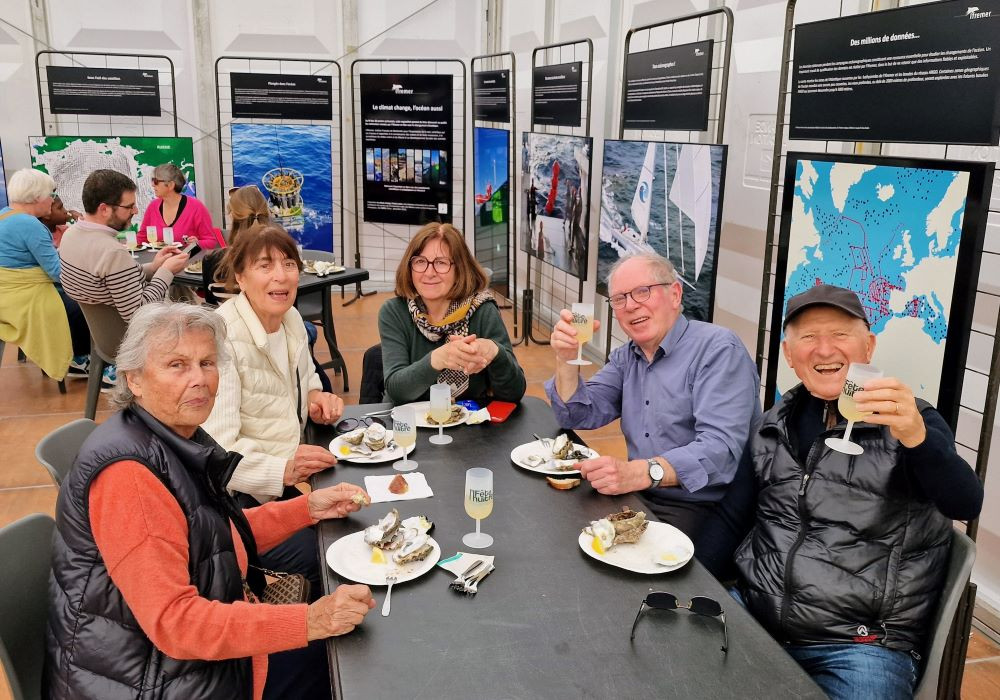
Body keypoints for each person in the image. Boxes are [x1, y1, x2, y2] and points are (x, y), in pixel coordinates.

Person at [46, 301, 375, 700]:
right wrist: (310, 621)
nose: (199, 379)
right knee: (339, 663)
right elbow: (177, 624)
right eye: (177, 365)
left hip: (155, 654)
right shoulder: (130, 476)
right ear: (134, 379)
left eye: (207, 362)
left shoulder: (171, 436)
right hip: (149, 677)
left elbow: (210, 536)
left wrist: (306, 508)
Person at [723, 284, 983, 700]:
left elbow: (964, 502)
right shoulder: (774, 424)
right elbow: (731, 519)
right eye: (808, 337)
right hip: (755, 612)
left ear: (869, 345)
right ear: (789, 355)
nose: (824, 350)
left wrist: (917, 435)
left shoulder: (912, 422)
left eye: (841, 334)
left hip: (859, 644)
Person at [546, 252, 760, 539]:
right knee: (563, 531)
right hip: (645, 493)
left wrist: (638, 473)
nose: (631, 305)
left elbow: (719, 450)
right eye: (619, 299)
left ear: (675, 294)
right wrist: (565, 360)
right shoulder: (627, 357)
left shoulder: (718, 349)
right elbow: (577, 414)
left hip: (707, 504)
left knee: (624, 571)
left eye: (642, 292)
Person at [201, 224, 344, 593]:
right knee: (333, 556)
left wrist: (315, 398)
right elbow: (220, 456)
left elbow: (306, 377)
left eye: (288, 264)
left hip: (289, 483)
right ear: (240, 276)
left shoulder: (291, 319)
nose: (281, 276)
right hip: (239, 504)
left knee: (352, 522)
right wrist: (284, 469)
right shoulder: (222, 339)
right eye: (264, 266)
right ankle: (310, 640)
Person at [378, 222, 525, 404]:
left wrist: (495, 352)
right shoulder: (394, 312)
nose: (429, 272)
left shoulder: (482, 310)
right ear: (409, 267)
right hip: (408, 425)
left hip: (468, 428)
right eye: (420, 262)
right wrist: (438, 358)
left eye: (441, 263)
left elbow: (514, 393)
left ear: (460, 269)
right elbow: (397, 391)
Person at [0, 169, 84, 379]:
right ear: (37, 197)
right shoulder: (30, 225)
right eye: (50, 195)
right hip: (26, 300)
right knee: (86, 305)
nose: (52, 200)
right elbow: (58, 273)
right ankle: (81, 360)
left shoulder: (4, 215)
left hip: (8, 295)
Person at [202, 184, 270, 305]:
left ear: (232, 216)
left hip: (226, 323)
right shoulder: (282, 257)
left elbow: (211, 307)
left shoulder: (212, 260)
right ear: (267, 213)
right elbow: (290, 309)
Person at [138, 163, 218, 249]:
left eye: (156, 181)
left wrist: (197, 243)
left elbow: (211, 242)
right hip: (159, 260)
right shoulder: (153, 206)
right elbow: (142, 237)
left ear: (171, 185)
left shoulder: (196, 207)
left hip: (188, 261)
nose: (153, 184)